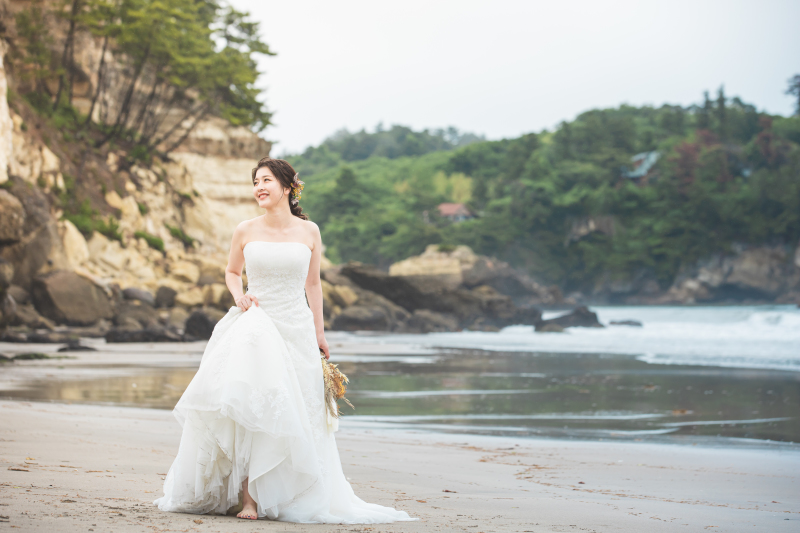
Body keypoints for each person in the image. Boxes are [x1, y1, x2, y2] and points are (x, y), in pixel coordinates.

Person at [154, 157, 415, 524]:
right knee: (253, 407)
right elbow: (232, 272)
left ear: (289, 186)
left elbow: (313, 285)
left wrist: (319, 333)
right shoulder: (245, 229)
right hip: (255, 324)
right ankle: (249, 499)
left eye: (266, 181)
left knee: (298, 410)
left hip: (296, 326)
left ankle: (292, 491)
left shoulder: (310, 232)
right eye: (255, 182)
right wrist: (238, 296)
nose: (259, 187)